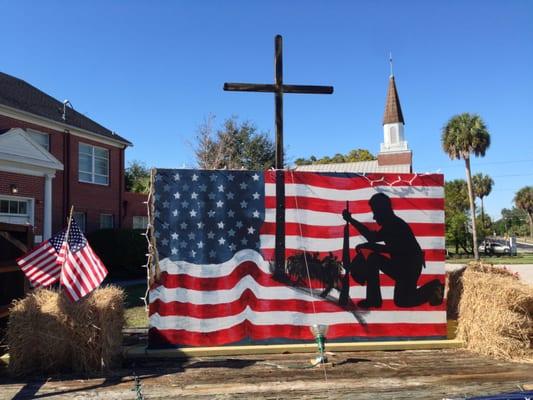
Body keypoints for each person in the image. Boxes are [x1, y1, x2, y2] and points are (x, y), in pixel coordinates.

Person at [342, 193, 444, 308]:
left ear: (383, 210)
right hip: (402, 265)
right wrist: (351, 220)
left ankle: (434, 287)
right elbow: (373, 238)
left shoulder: (394, 224)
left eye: (375, 213)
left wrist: (368, 245)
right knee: (374, 259)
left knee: (402, 300)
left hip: (408, 267)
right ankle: (374, 299)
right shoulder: (390, 224)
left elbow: (392, 248)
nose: (374, 217)